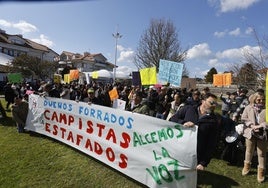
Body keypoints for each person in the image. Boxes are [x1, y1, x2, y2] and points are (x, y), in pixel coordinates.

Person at [170, 92, 220, 170]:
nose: (214, 106)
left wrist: (203, 163)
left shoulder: (214, 121)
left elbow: (211, 143)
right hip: (179, 148)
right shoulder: (189, 109)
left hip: (195, 155)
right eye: (212, 103)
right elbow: (173, 119)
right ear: (203, 101)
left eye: (215, 104)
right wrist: (183, 123)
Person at [240, 92, 267, 183]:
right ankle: (246, 166)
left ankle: (261, 171)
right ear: (254, 99)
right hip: (250, 133)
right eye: (259, 99)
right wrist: (252, 126)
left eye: (263, 99)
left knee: (261, 153)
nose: (261, 101)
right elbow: (244, 118)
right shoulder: (248, 108)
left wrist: (260, 126)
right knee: (249, 150)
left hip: (263, 134)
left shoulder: (266, 109)